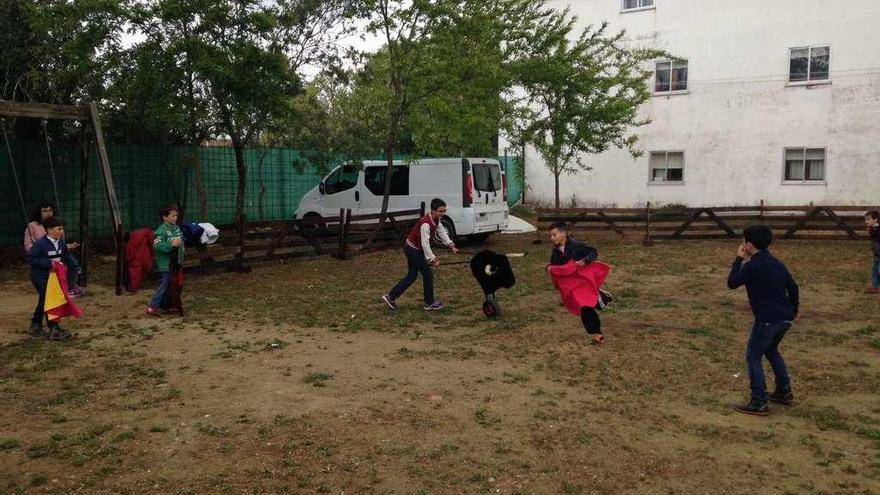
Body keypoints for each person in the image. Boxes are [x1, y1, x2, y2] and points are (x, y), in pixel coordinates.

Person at [727, 225, 799, 416]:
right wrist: (793, 311)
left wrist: (738, 259)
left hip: (767, 319)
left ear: (748, 246)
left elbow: (732, 282)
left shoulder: (752, 265)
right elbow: (793, 288)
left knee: (753, 356)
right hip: (785, 318)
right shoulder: (776, 262)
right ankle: (784, 391)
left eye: (744, 243)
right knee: (771, 350)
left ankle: (758, 401)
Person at [382, 198, 460, 311]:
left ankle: (391, 297)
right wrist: (433, 259)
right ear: (433, 210)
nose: (442, 213)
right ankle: (429, 302)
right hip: (412, 249)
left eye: (444, 211)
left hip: (414, 249)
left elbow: (441, 231)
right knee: (427, 274)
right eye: (440, 211)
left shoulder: (436, 219)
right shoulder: (426, 224)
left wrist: (451, 245)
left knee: (412, 276)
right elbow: (425, 244)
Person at [547, 222, 613, 345]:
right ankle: (602, 296)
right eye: (550, 236)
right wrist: (550, 268)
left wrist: (584, 261)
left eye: (554, 235)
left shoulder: (577, 245)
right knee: (587, 302)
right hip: (571, 285)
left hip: (583, 281)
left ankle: (596, 333)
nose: (552, 238)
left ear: (563, 233)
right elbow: (554, 265)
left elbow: (593, 252)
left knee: (585, 306)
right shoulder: (555, 252)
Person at [25, 217, 78, 339]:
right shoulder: (40, 244)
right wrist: (48, 264)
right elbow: (30, 259)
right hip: (40, 277)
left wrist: (75, 267)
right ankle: (52, 325)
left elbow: (66, 256)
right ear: (49, 230)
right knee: (47, 298)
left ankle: (37, 324)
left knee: (48, 299)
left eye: (63, 228)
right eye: (59, 228)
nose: (62, 231)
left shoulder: (61, 242)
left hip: (54, 278)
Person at [23, 201, 84, 297]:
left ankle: (69, 286)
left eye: (50, 210)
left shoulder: (57, 224)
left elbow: (60, 244)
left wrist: (68, 246)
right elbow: (29, 248)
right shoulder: (32, 226)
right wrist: (43, 250)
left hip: (56, 255)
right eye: (44, 211)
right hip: (42, 255)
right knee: (46, 296)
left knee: (69, 261)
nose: (48, 213)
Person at [145, 205, 184, 316]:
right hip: (167, 264)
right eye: (173, 216)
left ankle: (168, 306)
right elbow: (157, 245)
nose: (175, 218)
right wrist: (170, 244)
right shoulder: (161, 230)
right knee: (165, 284)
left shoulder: (176, 228)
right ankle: (152, 307)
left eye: (176, 215)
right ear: (165, 217)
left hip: (176, 262)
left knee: (174, 285)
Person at [864, 210, 880, 294]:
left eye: (868, 219)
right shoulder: (873, 229)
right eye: (865, 219)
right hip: (877, 254)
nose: (866, 221)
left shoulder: (877, 229)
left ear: (876, 219)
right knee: (875, 270)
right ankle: (875, 287)